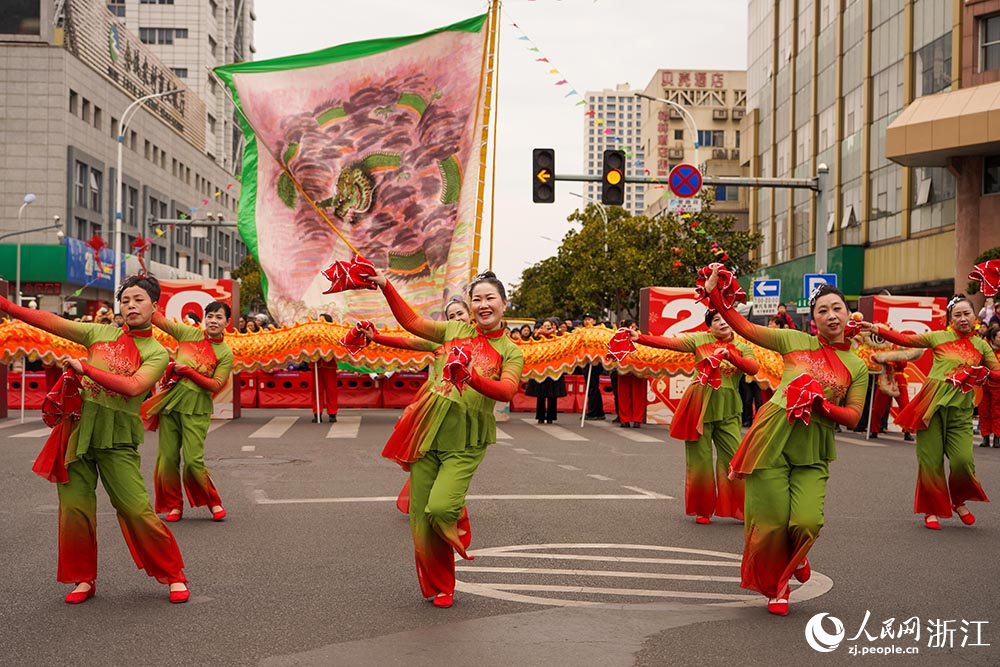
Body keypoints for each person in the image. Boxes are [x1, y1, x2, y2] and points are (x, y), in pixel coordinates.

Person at [0, 275, 190, 604]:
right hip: (77, 430)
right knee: (74, 508)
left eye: (138, 299)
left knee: (135, 509)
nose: (131, 305)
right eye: (126, 300)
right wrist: (5, 306)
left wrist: (87, 370)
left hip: (117, 438)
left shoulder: (157, 352)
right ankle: (83, 579)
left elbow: (133, 387)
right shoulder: (99, 333)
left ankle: (173, 573)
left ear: (154, 307)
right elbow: (50, 320)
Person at [705, 266, 868, 616]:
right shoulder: (793, 341)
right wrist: (716, 294)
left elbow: (854, 417)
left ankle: (798, 557)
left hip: (813, 447)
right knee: (772, 521)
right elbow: (743, 326)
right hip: (772, 438)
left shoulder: (856, 365)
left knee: (807, 521)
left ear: (848, 313)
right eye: (822, 310)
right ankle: (777, 587)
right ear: (814, 320)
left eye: (836, 308)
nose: (830, 315)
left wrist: (822, 405)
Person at [372, 270, 524, 608]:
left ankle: (454, 512)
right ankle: (442, 586)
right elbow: (411, 325)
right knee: (421, 520)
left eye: (490, 298)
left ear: (504, 303)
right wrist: (385, 286)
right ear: (470, 305)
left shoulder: (511, 351)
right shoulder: (454, 330)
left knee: (440, 508)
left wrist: (469, 377)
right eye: (477, 299)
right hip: (429, 431)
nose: (484, 305)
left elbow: (507, 390)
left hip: (465, 442)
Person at [862, 294, 999, 529]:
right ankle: (931, 509)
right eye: (958, 315)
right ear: (951, 319)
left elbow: (996, 373)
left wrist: (981, 374)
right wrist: (877, 328)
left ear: (974, 317)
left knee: (963, 461)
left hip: (961, 411)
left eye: (967, 313)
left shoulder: (981, 346)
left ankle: (958, 500)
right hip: (932, 407)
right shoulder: (938, 337)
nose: (963, 318)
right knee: (930, 462)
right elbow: (906, 340)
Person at [632, 308, 759, 524]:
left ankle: (739, 507)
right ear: (710, 325)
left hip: (728, 410)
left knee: (734, 459)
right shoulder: (700, 340)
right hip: (699, 406)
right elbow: (669, 343)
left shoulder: (743, 347)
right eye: (716, 320)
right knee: (699, 460)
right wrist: (639, 338)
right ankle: (702, 509)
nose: (722, 323)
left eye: (726, 319)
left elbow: (753, 368)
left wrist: (731, 356)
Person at [142, 301, 233, 523]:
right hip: (171, 404)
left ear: (227, 323)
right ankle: (174, 505)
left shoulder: (226, 353)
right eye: (210, 316)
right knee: (167, 459)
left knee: (193, 460)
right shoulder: (188, 333)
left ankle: (213, 501)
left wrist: (187, 371)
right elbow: (157, 319)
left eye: (219, 317)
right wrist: (144, 297)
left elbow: (214, 385)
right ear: (204, 318)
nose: (213, 320)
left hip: (197, 408)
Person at [525, 318, 566, 424]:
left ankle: (551, 416)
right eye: (545, 326)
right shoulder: (538, 337)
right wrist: (538, 334)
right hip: (541, 369)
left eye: (551, 326)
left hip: (554, 369)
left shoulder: (559, 338)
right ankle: (540, 416)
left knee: (553, 394)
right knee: (541, 394)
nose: (548, 328)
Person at [616, 320, 648, 429]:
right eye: (630, 327)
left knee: (638, 395)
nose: (632, 329)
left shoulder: (641, 337)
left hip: (639, 369)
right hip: (623, 369)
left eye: (634, 327)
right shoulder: (618, 337)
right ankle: (625, 419)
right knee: (623, 395)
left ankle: (637, 419)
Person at [579, 313, 607, 420]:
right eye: (585, 319)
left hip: (595, 362)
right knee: (592, 387)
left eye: (589, 319)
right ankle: (598, 411)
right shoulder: (583, 332)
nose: (587, 321)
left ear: (594, 321)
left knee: (592, 387)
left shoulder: (598, 333)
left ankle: (593, 411)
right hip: (586, 361)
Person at [314, 314, 339, 423]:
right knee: (316, 390)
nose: (320, 322)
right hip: (316, 364)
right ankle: (317, 413)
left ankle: (332, 413)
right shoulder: (313, 334)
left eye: (322, 320)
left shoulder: (333, 333)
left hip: (329, 364)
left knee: (331, 389)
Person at [981, 327, 1000, 448]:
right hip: (984, 385)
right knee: (984, 412)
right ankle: (985, 437)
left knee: (998, 412)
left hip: (998, 385)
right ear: (993, 338)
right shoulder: (984, 348)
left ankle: (997, 437)